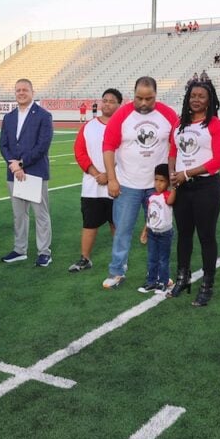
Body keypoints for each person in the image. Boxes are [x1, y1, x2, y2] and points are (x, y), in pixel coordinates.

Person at [101, 76, 179, 288]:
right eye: (139, 98)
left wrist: (172, 179)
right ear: (133, 94)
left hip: (157, 187)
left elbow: (176, 146)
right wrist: (112, 179)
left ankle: (161, 274)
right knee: (122, 230)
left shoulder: (169, 115)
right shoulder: (122, 115)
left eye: (149, 98)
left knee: (160, 231)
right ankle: (117, 271)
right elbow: (108, 147)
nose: (144, 103)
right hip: (128, 185)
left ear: (156, 95)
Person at [167, 81, 220, 306]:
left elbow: (219, 160)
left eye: (201, 96)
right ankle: (183, 277)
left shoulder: (215, 125)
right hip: (183, 187)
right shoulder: (179, 123)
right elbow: (173, 150)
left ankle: (207, 284)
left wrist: (187, 173)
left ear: (209, 99)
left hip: (207, 187)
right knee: (183, 234)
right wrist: (173, 172)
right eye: (193, 95)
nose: (196, 100)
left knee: (206, 236)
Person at [0, 78, 55, 266]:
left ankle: (44, 252)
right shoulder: (8, 117)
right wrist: (13, 165)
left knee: (41, 214)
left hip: (34, 172)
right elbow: (3, 145)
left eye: (25, 90)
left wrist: (22, 164)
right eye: (18, 90)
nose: (21, 93)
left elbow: (43, 145)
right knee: (19, 214)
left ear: (32, 92)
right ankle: (19, 249)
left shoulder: (43, 115)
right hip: (14, 173)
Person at [69, 88, 122, 272]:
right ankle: (85, 259)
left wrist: (110, 175)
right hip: (92, 186)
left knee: (116, 223)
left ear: (119, 105)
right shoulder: (88, 126)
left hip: (117, 184)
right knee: (89, 223)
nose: (107, 104)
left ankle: (119, 260)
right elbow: (80, 152)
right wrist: (95, 173)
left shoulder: (123, 127)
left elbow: (126, 155)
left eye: (111, 101)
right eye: (104, 100)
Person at [137, 163, 176, 293]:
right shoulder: (152, 197)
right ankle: (151, 282)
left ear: (168, 183)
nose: (158, 184)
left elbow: (170, 202)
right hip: (152, 233)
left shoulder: (167, 195)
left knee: (163, 260)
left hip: (165, 234)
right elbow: (150, 215)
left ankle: (163, 282)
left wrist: (175, 186)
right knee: (152, 258)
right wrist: (145, 231)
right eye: (156, 180)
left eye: (162, 181)